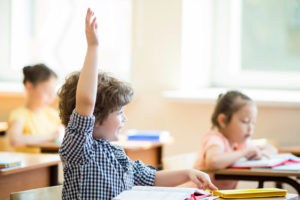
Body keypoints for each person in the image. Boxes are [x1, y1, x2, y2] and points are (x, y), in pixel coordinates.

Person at [58, 8, 217, 200]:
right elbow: (86, 101)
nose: (124, 118)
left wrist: (187, 174)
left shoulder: (117, 154)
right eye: (118, 113)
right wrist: (93, 46)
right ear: (95, 118)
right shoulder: (80, 149)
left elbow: (151, 178)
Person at [192, 90, 277, 189]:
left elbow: (271, 149)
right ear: (223, 121)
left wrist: (260, 153)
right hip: (201, 195)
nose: (250, 128)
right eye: (245, 122)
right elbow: (213, 161)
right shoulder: (215, 139)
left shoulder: (239, 143)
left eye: (253, 123)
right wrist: (244, 152)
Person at [7, 63, 64, 153]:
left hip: (52, 163)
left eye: (53, 92)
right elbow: (15, 140)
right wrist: (51, 136)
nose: (52, 96)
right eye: (47, 92)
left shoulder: (52, 114)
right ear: (29, 87)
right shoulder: (19, 114)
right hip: (31, 165)